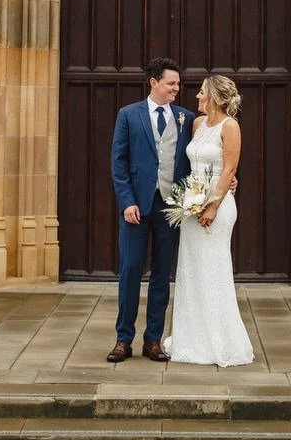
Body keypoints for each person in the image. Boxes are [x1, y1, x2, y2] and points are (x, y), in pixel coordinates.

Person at [163, 74, 254, 366]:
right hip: (192, 202)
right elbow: (194, 163)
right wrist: (191, 199)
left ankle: (221, 341)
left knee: (214, 269)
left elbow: (228, 170)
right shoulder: (198, 124)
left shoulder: (231, 127)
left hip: (218, 204)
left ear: (214, 97)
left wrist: (213, 205)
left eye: (202, 93)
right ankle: (192, 339)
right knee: (191, 271)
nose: (197, 97)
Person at [108, 56, 192, 362]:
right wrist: (126, 201)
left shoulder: (186, 117)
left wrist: (228, 179)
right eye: (171, 83)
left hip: (171, 207)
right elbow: (118, 162)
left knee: (161, 274)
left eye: (178, 84)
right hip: (137, 206)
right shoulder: (129, 115)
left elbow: (198, 159)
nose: (176, 89)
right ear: (153, 82)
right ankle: (123, 339)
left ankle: (153, 339)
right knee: (130, 269)